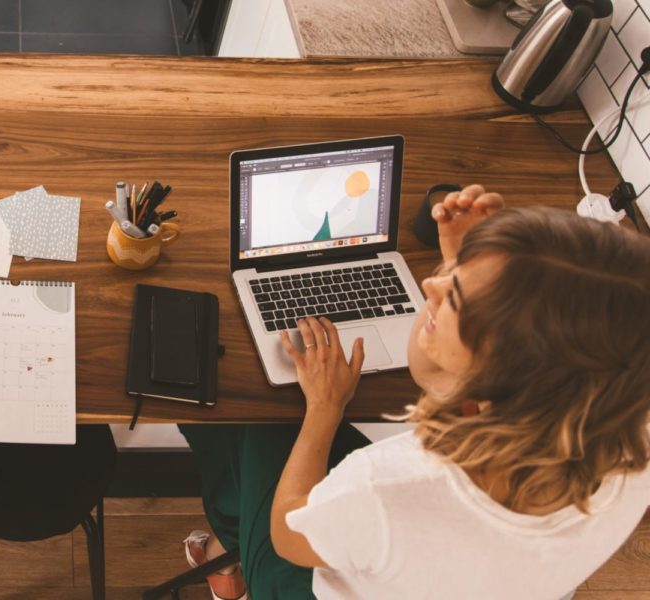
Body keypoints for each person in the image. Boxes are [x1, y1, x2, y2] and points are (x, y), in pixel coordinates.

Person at [180, 185, 650, 599]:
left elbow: (288, 536)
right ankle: (227, 547)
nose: (429, 282)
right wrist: (478, 263)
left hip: (306, 575)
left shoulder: (389, 487)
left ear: (502, 375)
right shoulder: (630, 434)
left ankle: (235, 561)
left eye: (456, 296)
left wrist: (324, 408)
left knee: (252, 410)